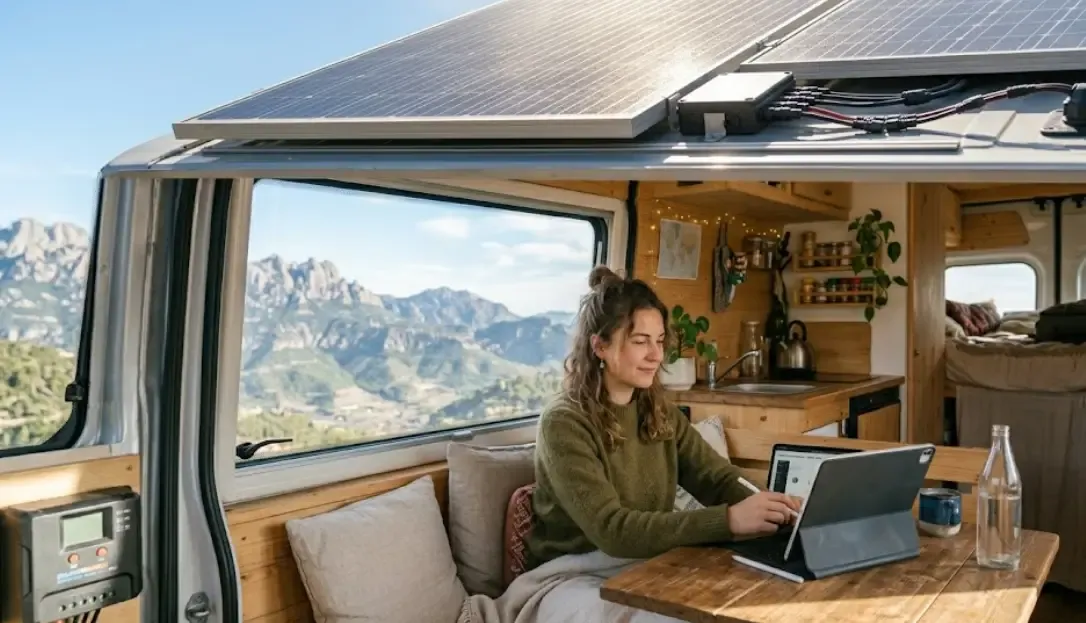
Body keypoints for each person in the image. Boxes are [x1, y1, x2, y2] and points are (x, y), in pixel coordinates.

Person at [524, 266, 802, 572]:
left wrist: (777, 509)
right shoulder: (563, 422)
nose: (656, 355)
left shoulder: (659, 411)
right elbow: (613, 530)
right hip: (571, 571)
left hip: (647, 560)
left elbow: (716, 479)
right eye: (640, 341)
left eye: (659, 341)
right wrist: (729, 520)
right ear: (600, 346)